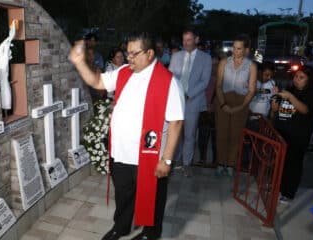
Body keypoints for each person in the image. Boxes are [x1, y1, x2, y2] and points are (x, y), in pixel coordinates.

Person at [69, 32, 184, 240]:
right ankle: (120, 227)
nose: (128, 58)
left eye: (133, 54)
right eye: (127, 53)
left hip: (150, 154)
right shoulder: (123, 72)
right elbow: (96, 81)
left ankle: (151, 233)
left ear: (149, 53)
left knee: (153, 196)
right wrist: (80, 63)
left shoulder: (168, 82)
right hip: (121, 152)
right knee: (123, 194)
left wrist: (166, 160)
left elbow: (176, 122)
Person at [270, 66, 313, 204]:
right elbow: (275, 109)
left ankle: (288, 193)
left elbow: (305, 110)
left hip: (297, 138)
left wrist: (291, 97)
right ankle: (277, 187)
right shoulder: (290, 90)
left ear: (309, 80)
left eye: (301, 77)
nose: (297, 80)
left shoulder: (312, 94)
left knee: (293, 166)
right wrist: (274, 96)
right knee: (280, 163)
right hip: (282, 135)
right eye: (296, 76)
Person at [168, 28, 212, 177]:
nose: (185, 43)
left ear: (196, 40)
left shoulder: (205, 58)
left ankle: (187, 163)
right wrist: (176, 94)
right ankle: (176, 160)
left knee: (190, 134)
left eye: (189, 40)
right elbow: (170, 77)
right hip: (176, 101)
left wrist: (188, 95)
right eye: (184, 40)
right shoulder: (176, 56)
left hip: (193, 101)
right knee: (175, 132)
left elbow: (204, 82)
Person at [215, 34, 257, 177]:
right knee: (222, 134)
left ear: (246, 50)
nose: (235, 51)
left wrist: (241, 106)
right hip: (223, 101)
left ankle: (231, 165)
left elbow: (251, 90)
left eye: (238, 48)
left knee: (236, 136)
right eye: (234, 47)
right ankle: (220, 164)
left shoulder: (251, 66)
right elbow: (218, 86)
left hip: (241, 102)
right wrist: (223, 104)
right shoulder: (224, 62)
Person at [0, 19, 16, 117]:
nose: (10, 55)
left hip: (4, 81)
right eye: (10, 53)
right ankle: (6, 115)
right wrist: (10, 36)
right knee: (6, 98)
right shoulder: (3, 58)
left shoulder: (3, 58)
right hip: (3, 83)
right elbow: (2, 48)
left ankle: (6, 114)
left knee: (6, 99)